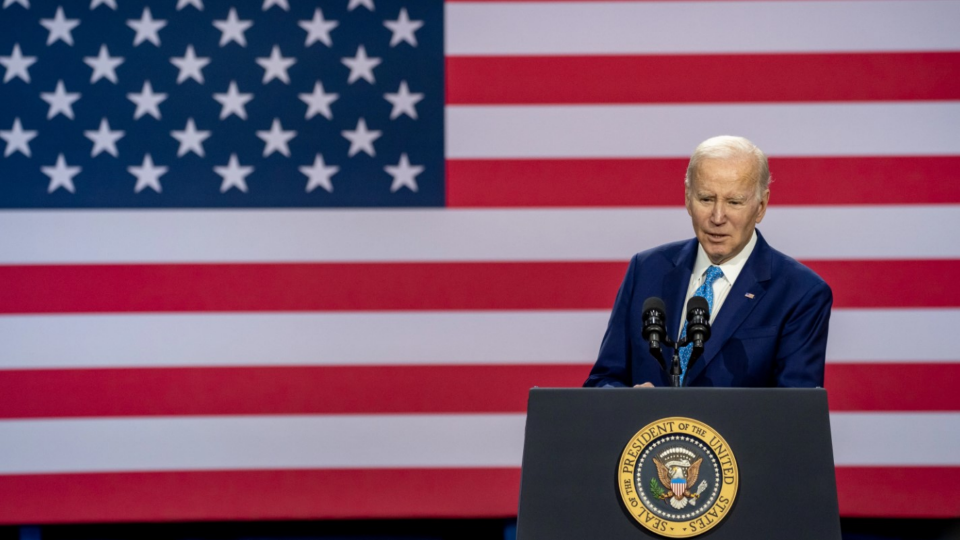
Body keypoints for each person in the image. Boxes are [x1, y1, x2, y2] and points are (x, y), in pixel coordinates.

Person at [584, 135, 832, 388]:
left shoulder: (800, 292)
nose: (717, 217)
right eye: (706, 199)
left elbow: (796, 413)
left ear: (761, 206)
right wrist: (626, 402)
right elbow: (602, 380)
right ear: (687, 199)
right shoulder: (646, 270)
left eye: (734, 202)